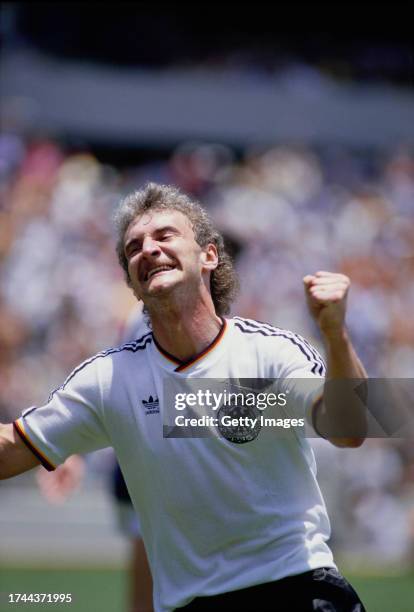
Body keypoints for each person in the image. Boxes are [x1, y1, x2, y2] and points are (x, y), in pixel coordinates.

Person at [0, 182, 367, 611]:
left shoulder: (270, 353)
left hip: (299, 590)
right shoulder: (110, 378)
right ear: (133, 287)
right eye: (134, 247)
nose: (148, 250)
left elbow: (348, 429)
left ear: (209, 255)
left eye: (164, 236)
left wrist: (335, 335)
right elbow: (12, 451)